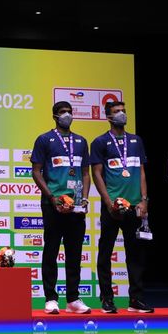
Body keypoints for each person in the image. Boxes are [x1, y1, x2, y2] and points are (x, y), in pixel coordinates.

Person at [90, 101, 153, 313]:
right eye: (117, 112)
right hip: (112, 207)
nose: (122, 114)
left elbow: (141, 171)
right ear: (108, 117)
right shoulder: (100, 142)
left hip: (135, 206)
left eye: (123, 111)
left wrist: (144, 200)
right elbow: (96, 173)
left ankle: (136, 299)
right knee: (105, 252)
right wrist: (108, 202)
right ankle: (107, 299)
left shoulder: (136, 140)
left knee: (136, 254)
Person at [31, 101, 91, 314]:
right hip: (52, 205)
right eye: (63, 112)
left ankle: (73, 299)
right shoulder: (44, 139)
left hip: (75, 207)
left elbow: (85, 173)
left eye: (70, 112)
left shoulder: (81, 141)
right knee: (51, 251)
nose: (67, 115)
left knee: (75, 253)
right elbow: (36, 172)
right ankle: (50, 298)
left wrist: (84, 199)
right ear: (55, 116)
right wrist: (52, 197)